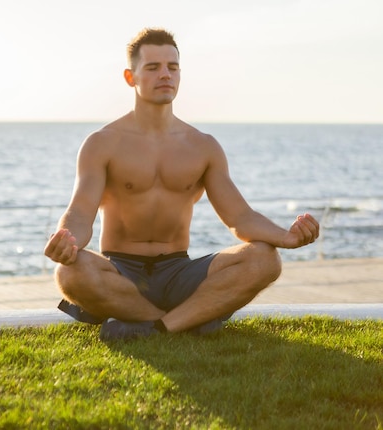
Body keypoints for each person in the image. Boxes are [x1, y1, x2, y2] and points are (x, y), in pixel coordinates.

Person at [44, 28, 320, 341]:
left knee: (265, 259)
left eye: (172, 67)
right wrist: (67, 239)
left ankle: (157, 328)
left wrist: (285, 237)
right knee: (69, 272)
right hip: (122, 273)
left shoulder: (203, 146)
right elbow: (80, 212)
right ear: (130, 77)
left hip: (180, 272)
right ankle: (188, 320)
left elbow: (240, 218)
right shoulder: (101, 143)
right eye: (152, 67)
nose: (165, 75)